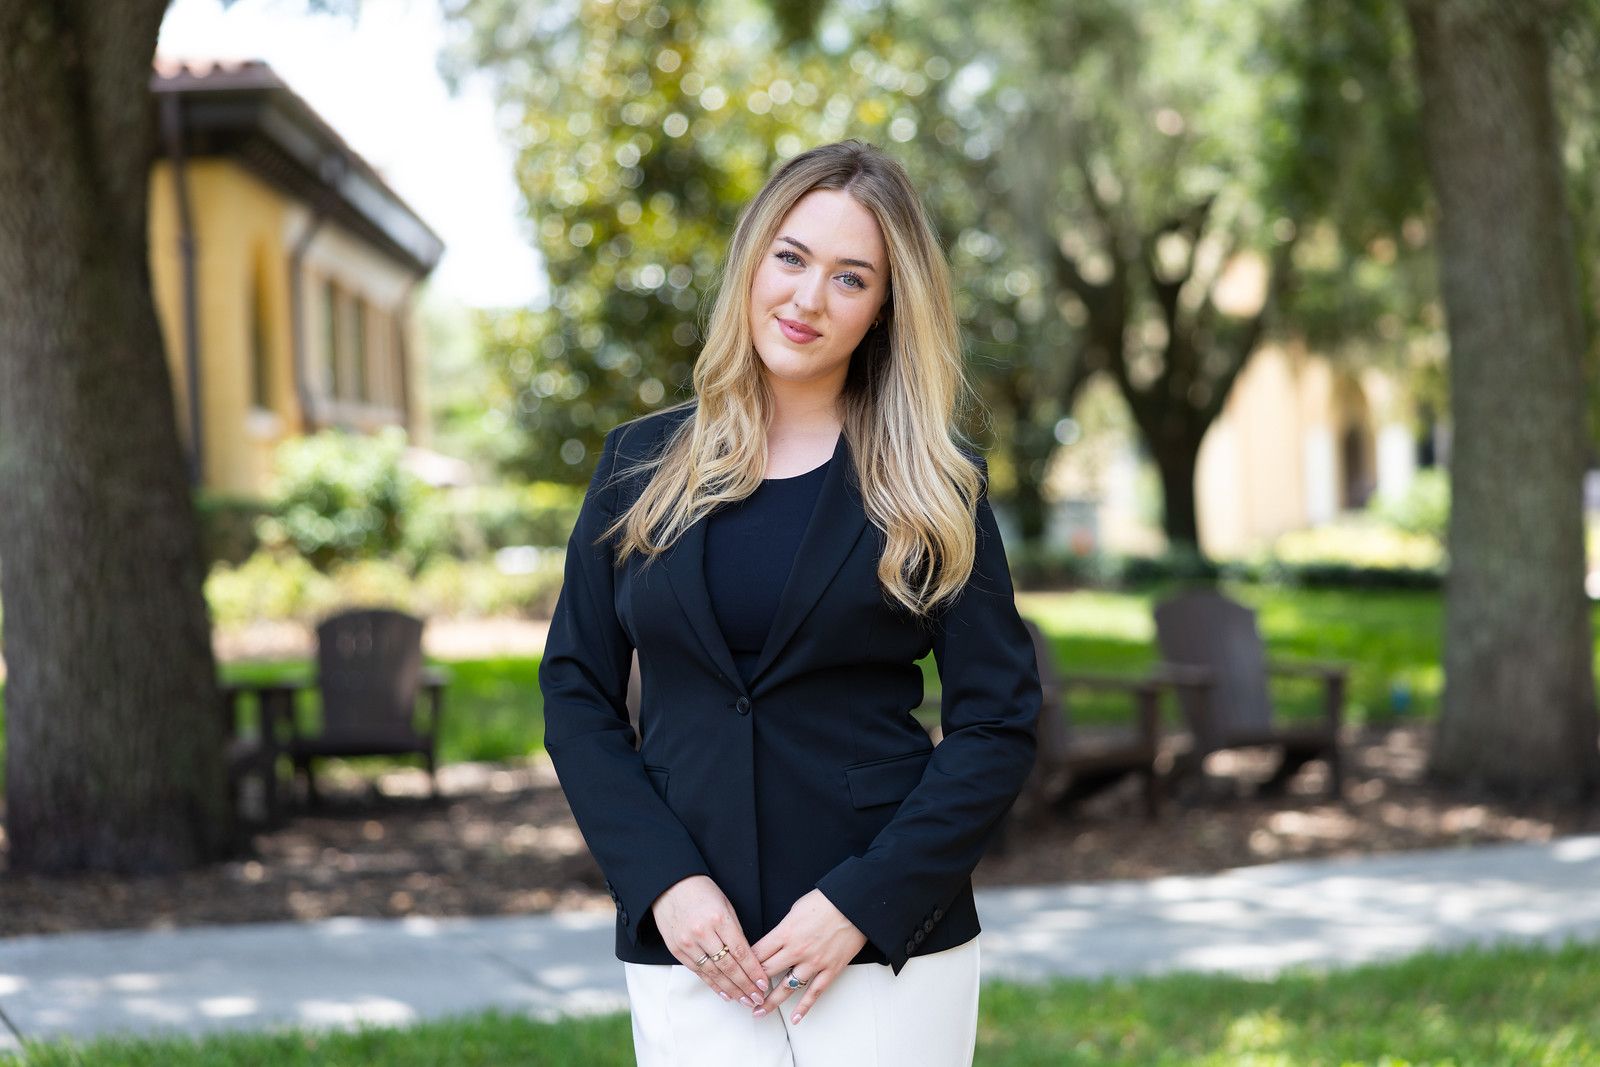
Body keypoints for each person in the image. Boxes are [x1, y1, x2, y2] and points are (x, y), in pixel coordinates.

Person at [538, 138, 1042, 1066]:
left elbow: (997, 723)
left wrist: (863, 901)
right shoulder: (637, 467)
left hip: (884, 948)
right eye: (793, 258)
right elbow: (575, 694)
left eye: (851, 278)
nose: (809, 299)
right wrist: (663, 882)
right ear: (753, 260)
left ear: (886, 309)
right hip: (692, 942)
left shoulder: (936, 482)